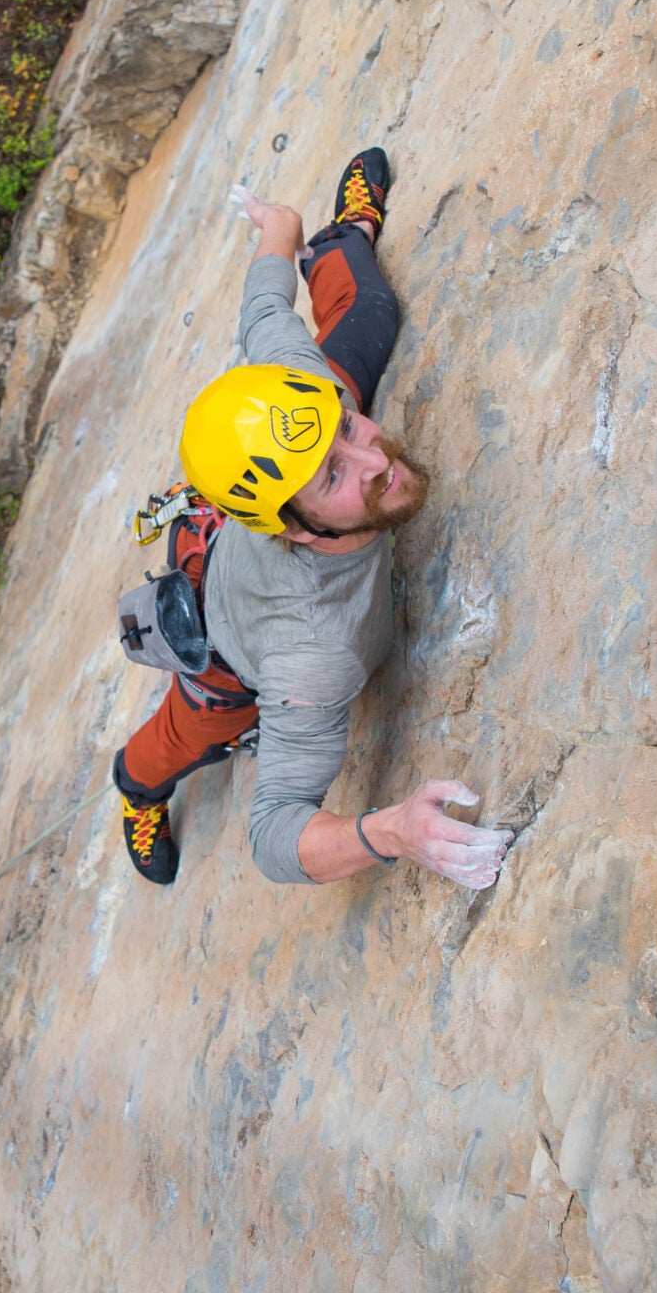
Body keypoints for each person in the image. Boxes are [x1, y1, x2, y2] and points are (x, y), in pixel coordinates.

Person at [112, 148, 512, 893]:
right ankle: (137, 793)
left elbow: (265, 312)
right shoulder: (310, 654)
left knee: (369, 312)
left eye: (349, 430)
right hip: (231, 642)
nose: (375, 459)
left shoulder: (308, 400)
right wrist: (389, 831)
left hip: (250, 492)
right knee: (174, 742)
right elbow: (272, 831)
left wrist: (280, 227)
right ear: (296, 527)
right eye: (335, 474)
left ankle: (343, 233)